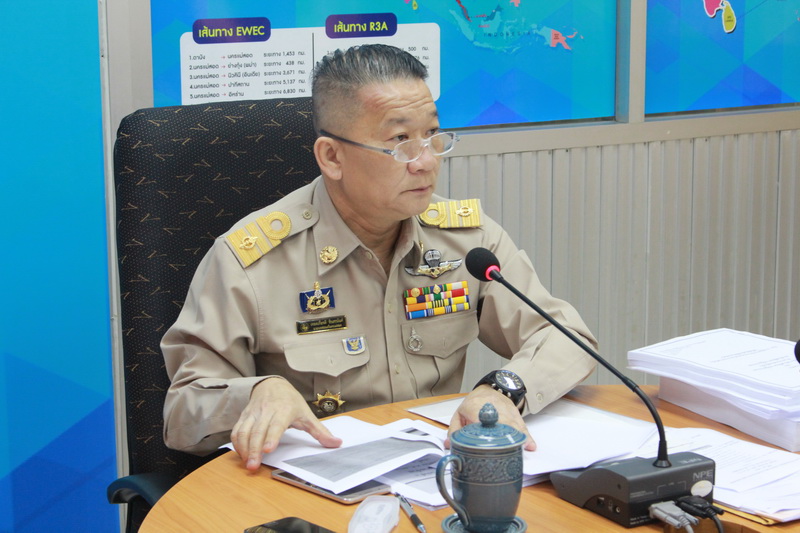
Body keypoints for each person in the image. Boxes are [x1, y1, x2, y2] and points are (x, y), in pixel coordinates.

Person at [162, 44, 597, 472]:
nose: (425, 162)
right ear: (332, 157)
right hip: (310, 487)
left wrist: (503, 390)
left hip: (436, 478)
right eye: (400, 141)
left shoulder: (468, 243)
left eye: (432, 135)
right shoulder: (253, 262)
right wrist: (257, 393)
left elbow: (566, 337)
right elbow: (182, 412)